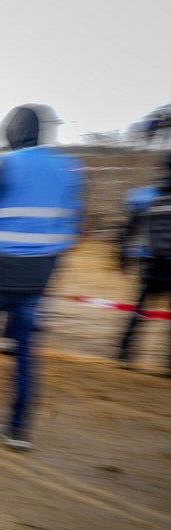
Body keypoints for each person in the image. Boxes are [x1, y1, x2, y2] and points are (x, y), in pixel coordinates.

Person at [0, 104, 85, 451]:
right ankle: (18, 428)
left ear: (11, 132)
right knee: (25, 351)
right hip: (38, 276)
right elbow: (72, 227)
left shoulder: (5, 164)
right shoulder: (70, 169)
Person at [117, 152, 171, 374]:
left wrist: (122, 259)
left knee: (138, 310)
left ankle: (124, 353)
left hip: (149, 261)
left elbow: (128, 231)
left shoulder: (142, 197)